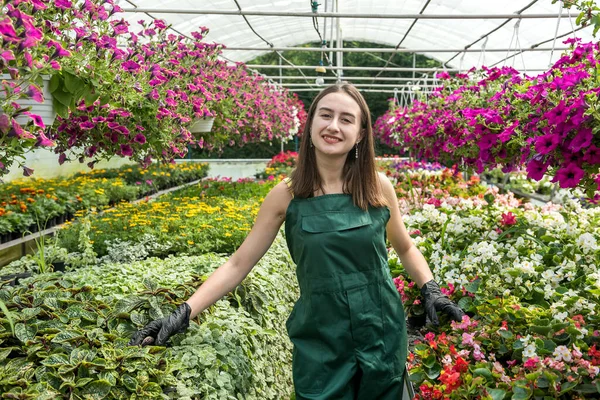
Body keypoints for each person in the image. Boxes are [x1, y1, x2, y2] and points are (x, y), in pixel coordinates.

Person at [129, 83, 465, 399]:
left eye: (346, 119)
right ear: (310, 124)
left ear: (361, 133)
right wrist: (183, 312)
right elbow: (238, 263)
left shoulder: (377, 187)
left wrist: (430, 288)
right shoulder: (286, 195)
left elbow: (404, 246)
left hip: (381, 328)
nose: (334, 126)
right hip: (321, 335)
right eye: (326, 115)